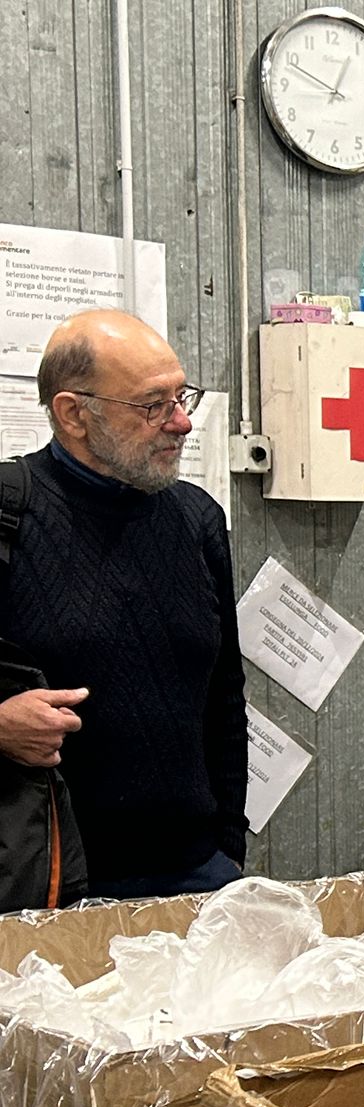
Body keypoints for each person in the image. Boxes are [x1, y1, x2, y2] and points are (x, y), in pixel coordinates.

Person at [0, 309, 246, 901]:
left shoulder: (196, 520)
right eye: (153, 405)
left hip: (197, 877)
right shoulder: (8, 515)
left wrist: (229, 852)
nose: (183, 422)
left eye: (181, 396)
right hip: (48, 884)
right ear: (74, 413)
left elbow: (225, 697)